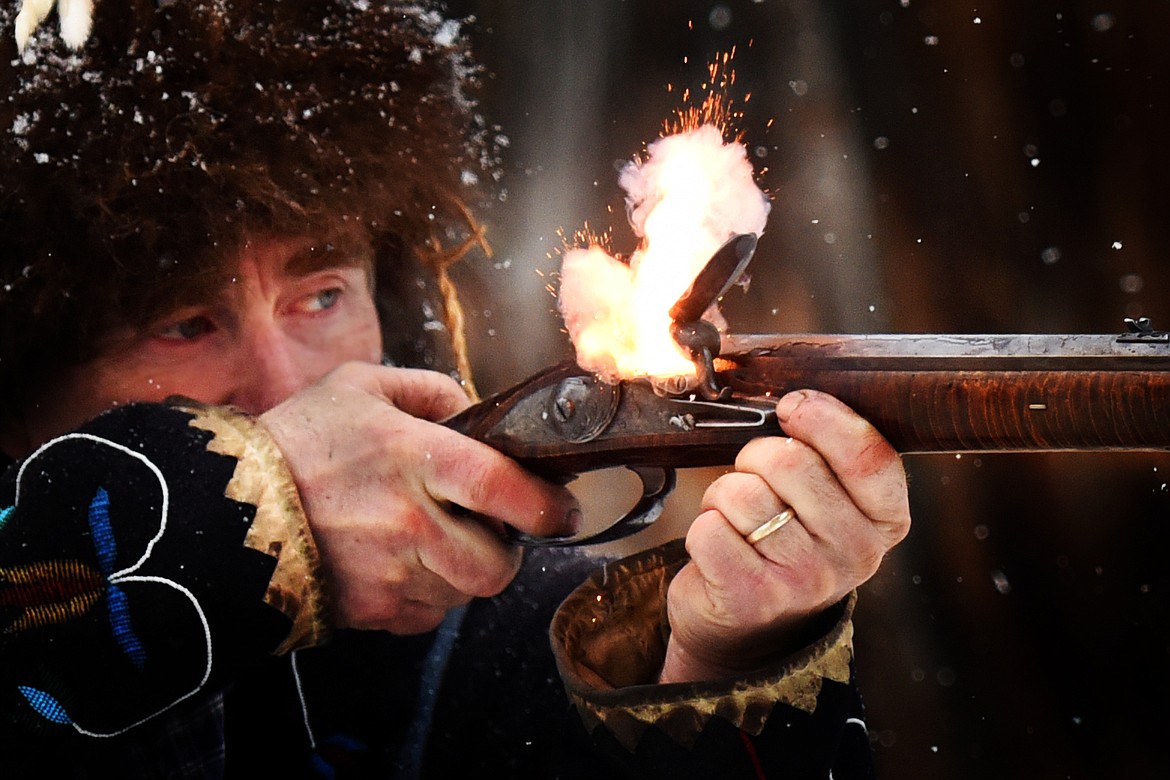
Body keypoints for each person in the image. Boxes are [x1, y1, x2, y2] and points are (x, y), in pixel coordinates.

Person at [0, 2, 910, 777]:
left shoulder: (527, 628)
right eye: (184, 323)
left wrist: (721, 665)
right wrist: (249, 513)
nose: (288, 389)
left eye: (321, 295)